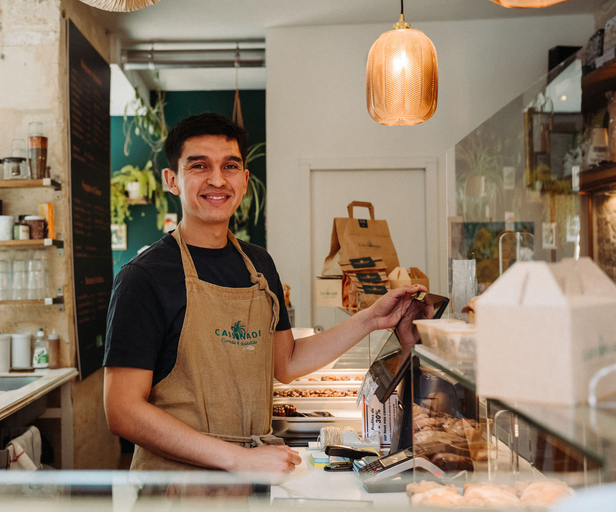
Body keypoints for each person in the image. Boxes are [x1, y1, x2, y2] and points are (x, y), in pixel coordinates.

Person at [103, 113, 432, 472]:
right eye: (199, 166)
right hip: (177, 486)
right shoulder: (143, 277)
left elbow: (287, 362)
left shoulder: (258, 264)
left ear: (244, 181)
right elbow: (122, 411)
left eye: (229, 166)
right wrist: (238, 458)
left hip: (253, 481)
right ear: (173, 180)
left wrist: (372, 318)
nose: (217, 179)